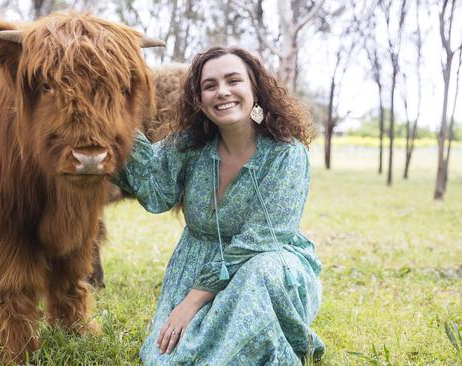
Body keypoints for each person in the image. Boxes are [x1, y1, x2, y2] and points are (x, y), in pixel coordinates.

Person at [113, 46, 325, 365]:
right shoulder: (189, 146)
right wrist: (110, 122)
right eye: (209, 85)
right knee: (168, 357)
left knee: (260, 272)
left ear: (255, 89)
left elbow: (262, 239)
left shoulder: (286, 154)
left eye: (233, 80)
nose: (222, 92)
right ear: (198, 99)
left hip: (267, 269)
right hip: (195, 264)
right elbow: (156, 191)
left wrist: (191, 302)